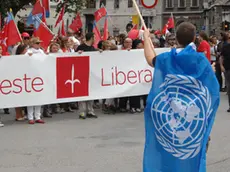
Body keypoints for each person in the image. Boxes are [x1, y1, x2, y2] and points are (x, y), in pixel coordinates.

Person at [143, 22, 219, 172]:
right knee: (192, 155)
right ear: (194, 38)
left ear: (176, 38)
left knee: (168, 153)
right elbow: (211, 88)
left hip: (170, 117)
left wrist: (146, 38)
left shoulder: (166, 59)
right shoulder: (201, 60)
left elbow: (150, 58)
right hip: (192, 118)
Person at [76, 32, 98, 119]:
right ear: (92, 38)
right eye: (94, 37)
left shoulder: (92, 48)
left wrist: (99, 52)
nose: (95, 39)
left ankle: (90, 111)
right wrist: (78, 53)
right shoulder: (81, 47)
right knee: (82, 93)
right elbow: (73, 57)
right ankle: (82, 112)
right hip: (82, 72)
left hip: (91, 73)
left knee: (91, 92)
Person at [26, 37, 45, 124]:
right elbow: (22, 60)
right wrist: (28, 57)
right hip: (30, 76)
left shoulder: (41, 51)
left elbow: (45, 60)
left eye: (39, 43)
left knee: (39, 97)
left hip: (39, 76)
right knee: (30, 97)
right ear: (32, 44)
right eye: (37, 43)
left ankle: (37, 116)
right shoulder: (28, 51)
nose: (39, 44)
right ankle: (30, 117)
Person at [220, 32, 230, 112]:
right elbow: (221, 56)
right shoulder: (226, 46)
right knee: (229, 87)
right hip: (228, 69)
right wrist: (221, 65)